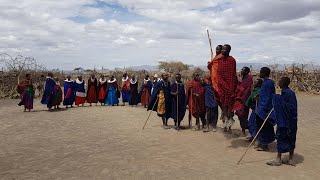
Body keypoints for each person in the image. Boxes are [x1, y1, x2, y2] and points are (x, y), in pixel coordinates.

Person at [267, 77, 298, 166]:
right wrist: (279, 99)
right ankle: (288, 159)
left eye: (280, 81)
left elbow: (291, 108)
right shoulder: (284, 93)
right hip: (285, 120)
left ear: (283, 83)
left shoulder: (289, 94)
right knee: (286, 137)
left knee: (288, 137)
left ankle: (282, 159)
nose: (278, 82)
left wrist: (278, 99)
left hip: (288, 121)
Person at [217, 44, 238, 131]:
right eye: (222, 50)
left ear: (228, 51)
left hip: (230, 85)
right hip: (222, 85)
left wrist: (231, 88)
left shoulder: (232, 60)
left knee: (230, 104)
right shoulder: (220, 60)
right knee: (223, 103)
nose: (222, 51)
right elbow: (219, 73)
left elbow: (232, 74)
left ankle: (230, 120)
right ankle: (226, 119)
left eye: (224, 50)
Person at [255, 67, 276, 151]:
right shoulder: (266, 83)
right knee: (261, 125)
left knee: (264, 126)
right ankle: (262, 142)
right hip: (262, 106)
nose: (259, 73)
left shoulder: (268, 83)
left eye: (260, 72)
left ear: (264, 73)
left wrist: (262, 108)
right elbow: (265, 93)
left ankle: (264, 144)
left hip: (265, 108)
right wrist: (259, 95)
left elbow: (268, 97)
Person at [235, 67, 253, 135]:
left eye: (242, 70)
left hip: (246, 99)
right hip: (240, 99)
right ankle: (243, 129)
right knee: (240, 114)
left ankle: (248, 128)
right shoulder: (242, 78)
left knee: (244, 114)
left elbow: (248, 89)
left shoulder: (249, 78)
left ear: (246, 72)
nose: (241, 71)